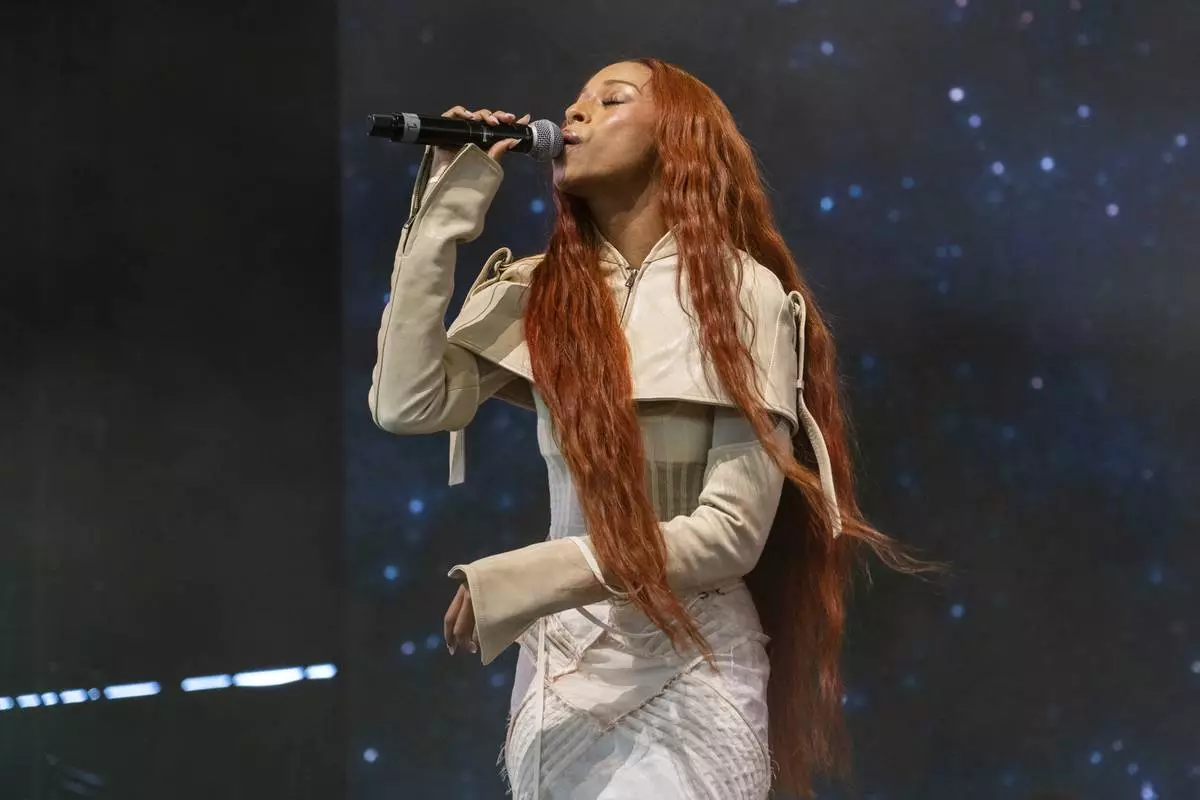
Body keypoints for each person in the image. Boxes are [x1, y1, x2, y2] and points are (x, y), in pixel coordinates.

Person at [369, 58, 924, 800]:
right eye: (573, 102)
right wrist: (443, 210)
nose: (574, 116)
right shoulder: (540, 293)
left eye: (610, 99)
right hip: (561, 671)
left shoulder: (742, 295)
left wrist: (526, 577)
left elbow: (728, 533)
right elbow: (406, 403)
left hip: (690, 664)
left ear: (679, 138)